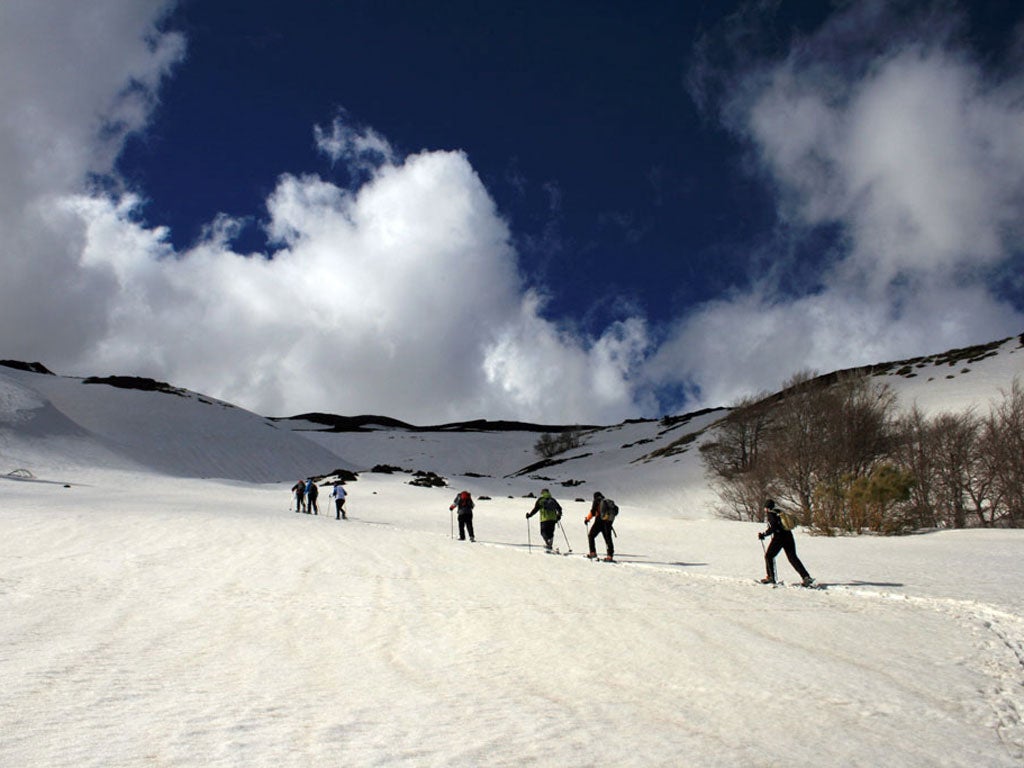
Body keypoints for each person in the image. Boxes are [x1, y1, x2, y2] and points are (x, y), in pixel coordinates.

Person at [758, 499, 814, 586]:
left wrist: (764, 534)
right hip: (788, 536)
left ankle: (771, 577)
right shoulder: (780, 511)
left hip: (779, 537)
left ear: (767, 507)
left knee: (769, 556)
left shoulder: (771, 513)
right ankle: (806, 577)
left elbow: (773, 527)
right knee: (792, 558)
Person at [585, 491, 615, 562]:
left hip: (599, 521)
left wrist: (587, 519)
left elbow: (593, 512)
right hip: (608, 522)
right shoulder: (606, 502)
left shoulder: (597, 501)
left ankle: (593, 553)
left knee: (591, 536)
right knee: (608, 539)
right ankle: (610, 556)